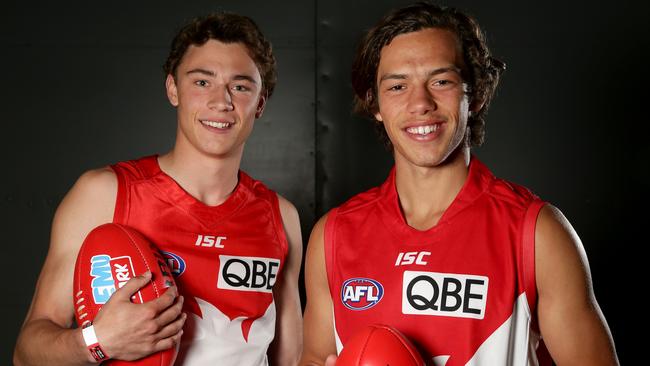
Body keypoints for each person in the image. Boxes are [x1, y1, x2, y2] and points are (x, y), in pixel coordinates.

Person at [300, 2, 618, 365]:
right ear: (375, 103)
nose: (420, 103)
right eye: (398, 86)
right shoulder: (334, 236)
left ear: (476, 94)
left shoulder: (536, 233)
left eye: (441, 81)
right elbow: (314, 356)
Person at [14, 12, 303, 366]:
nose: (221, 101)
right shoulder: (104, 194)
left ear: (259, 102)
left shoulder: (281, 217)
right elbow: (27, 352)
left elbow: (292, 359)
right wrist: (96, 342)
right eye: (202, 82)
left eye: (240, 86)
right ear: (172, 89)